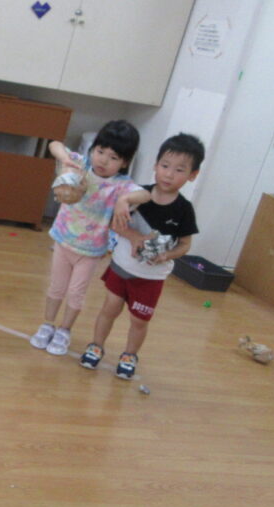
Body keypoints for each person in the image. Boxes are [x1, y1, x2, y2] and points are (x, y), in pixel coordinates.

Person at [79, 133, 203, 380]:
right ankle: (96, 345)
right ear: (155, 165)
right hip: (121, 267)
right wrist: (134, 236)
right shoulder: (137, 195)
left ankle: (129, 355)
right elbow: (114, 223)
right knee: (109, 309)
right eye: (165, 166)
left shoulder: (184, 209)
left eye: (179, 170)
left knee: (139, 321)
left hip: (151, 278)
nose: (169, 174)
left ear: (192, 175)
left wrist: (166, 255)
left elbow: (185, 244)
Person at [29, 120, 140, 357]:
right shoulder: (81, 165)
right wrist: (65, 159)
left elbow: (145, 195)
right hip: (63, 241)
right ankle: (48, 324)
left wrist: (124, 200)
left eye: (113, 157)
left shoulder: (121, 185)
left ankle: (64, 330)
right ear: (93, 149)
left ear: (124, 162)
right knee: (56, 287)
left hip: (90, 251)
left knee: (76, 293)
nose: (103, 160)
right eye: (100, 151)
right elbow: (54, 144)